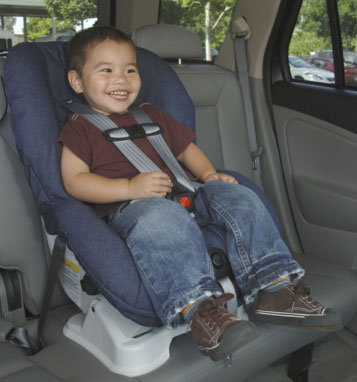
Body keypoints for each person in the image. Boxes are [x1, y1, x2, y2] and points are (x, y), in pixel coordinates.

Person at [57, 26, 340, 361]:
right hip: (135, 208)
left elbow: (187, 150)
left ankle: (274, 289)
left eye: (129, 70)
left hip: (188, 192)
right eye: (106, 70)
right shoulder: (80, 128)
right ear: (77, 81)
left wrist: (209, 175)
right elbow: (75, 181)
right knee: (161, 217)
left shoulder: (152, 114)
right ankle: (202, 313)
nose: (121, 79)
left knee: (239, 195)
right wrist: (129, 187)